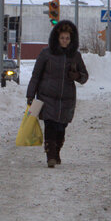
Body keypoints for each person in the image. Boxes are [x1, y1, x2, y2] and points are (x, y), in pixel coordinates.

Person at [26, 19, 89, 168]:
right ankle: (50, 156)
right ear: (56, 38)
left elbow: (85, 77)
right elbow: (35, 75)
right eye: (62, 38)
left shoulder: (75, 56)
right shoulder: (46, 54)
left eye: (67, 38)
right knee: (50, 126)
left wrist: (77, 76)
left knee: (61, 128)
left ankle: (57, 150)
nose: (65, 41)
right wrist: (30, 95)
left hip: (66, 99)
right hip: (47, 97)